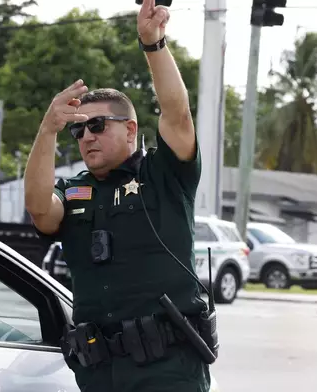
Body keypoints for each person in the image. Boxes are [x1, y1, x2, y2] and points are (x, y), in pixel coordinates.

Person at [24, 0, 211, 391]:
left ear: (129, 129)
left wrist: (152, 44)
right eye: (78, 130)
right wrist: (48, 130)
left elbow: (177, 114)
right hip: (99, 372)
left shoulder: (165, 174)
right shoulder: (74, 190)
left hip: (168, 370)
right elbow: (41, 210)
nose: (87, 136)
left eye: (97, 125)